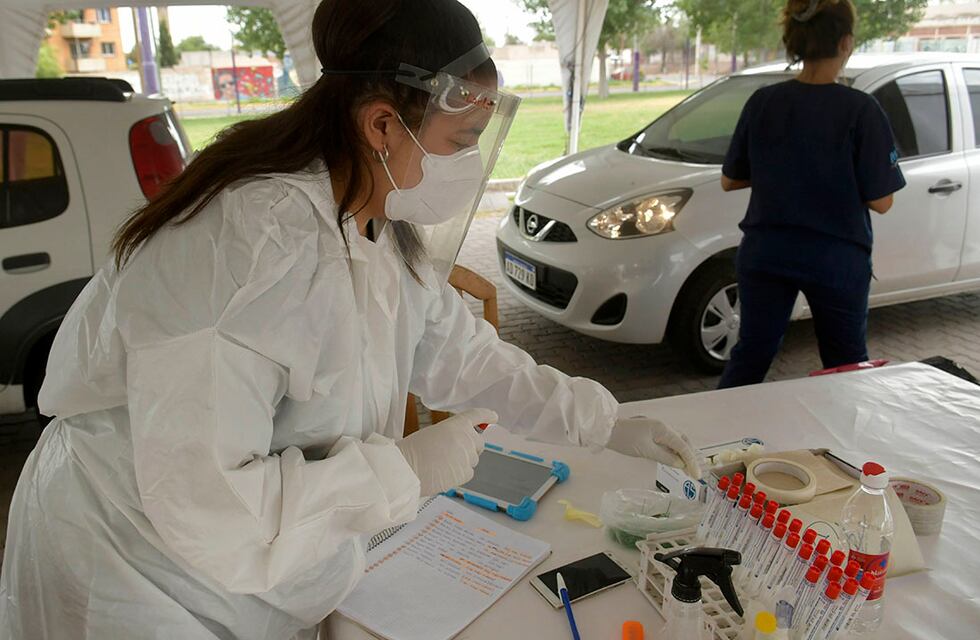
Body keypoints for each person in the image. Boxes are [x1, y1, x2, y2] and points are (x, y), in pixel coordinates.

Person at [0, 1, 700, 639]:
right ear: (381, 124)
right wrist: (402, 470)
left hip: (245, 567)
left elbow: (464, 356)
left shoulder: (374, 215)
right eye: (461, 140)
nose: (469, 163)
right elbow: (210, 506)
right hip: (132, 563)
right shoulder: (248, 249)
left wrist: (603, 422)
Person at [717, 0, 906, 389]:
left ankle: (707, 443)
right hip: (835, 257)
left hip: (766, 251)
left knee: (751, 354)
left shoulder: (763, 102)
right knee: (845, 366)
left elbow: (730, 180)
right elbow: (882, 201)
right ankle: (842, 445)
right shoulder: (861, 110)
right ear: (846, 42)